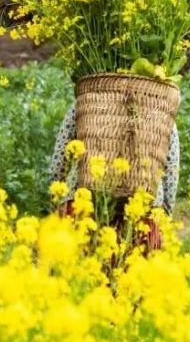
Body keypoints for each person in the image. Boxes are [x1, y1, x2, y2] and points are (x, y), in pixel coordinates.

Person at [48, 103, 179, 251]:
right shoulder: (160, 107)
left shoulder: (84, 101)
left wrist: (56, 205)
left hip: (81, 207)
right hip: (144, 213)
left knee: (75, 270)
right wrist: (164, 219)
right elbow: (171, 172)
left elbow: (59, 163)